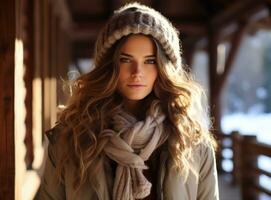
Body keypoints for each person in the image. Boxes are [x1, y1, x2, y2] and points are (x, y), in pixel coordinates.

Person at [37, 2, 219, 200]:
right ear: (108, 66)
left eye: (149, 61)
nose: (137, 73)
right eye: (125, 59)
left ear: (163, 67)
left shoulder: (191, 143)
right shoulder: (71, 140)